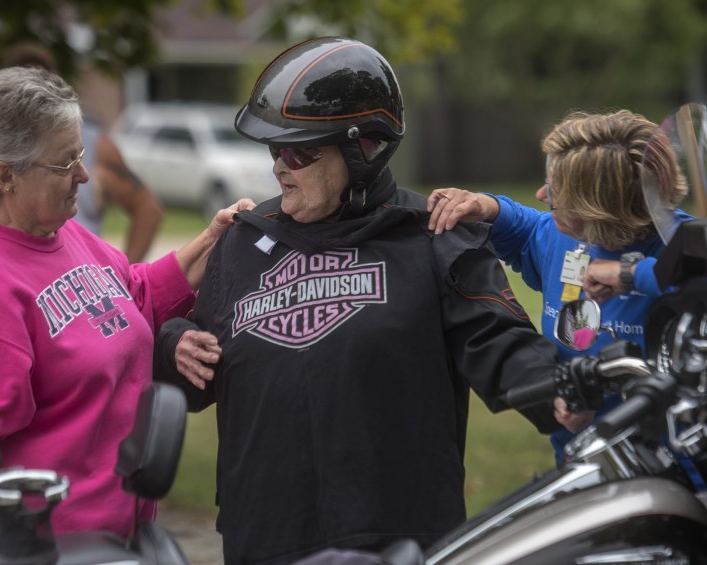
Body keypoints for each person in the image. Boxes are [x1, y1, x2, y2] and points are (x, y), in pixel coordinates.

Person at [153, 37, 561, 565]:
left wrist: (558, 391)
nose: (280, 166)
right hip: (265, 535)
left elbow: (502, 344)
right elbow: (192, 369)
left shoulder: (434, 237)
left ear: (364, 148)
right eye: (275, 150)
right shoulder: (243, 243)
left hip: (395, 540)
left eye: (299, 151)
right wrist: (173, 343)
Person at [0, 66, 252, 539]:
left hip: (122, 532)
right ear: (6, 176)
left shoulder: (65, 234)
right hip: (56, 545)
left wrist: (213, 238)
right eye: (65, 164)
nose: (85, 175)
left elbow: (134, 294)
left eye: (80, 155)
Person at [427, 109, 690, 465]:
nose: (540, 194)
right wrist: (486, 207)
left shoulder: (682, 249)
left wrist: (629, 274)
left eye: (555, 191)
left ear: (598, 208)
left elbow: (690, 270)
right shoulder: (564, 236)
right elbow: (526, 229)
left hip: (679, 471)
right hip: (585, 465)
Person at [0, 40, 164, 263]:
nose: (82, 174)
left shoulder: (98, 146)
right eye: (65, 163)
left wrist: (122, 278)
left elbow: (148, 209)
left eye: (45, 94)